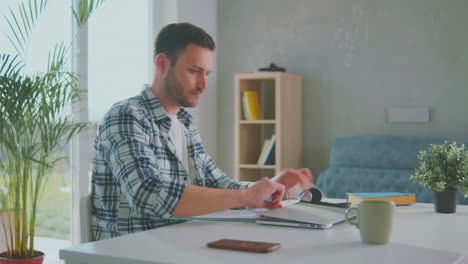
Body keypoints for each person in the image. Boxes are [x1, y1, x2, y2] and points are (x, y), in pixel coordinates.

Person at [91, 22, 313, 240]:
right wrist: (246, 195)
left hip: (179, 244)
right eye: (194, 71)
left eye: (207, 73)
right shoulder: (127, 115)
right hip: (131, 251)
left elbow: (216, 183)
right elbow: (148, 193)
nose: (203, 85)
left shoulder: (184, 122)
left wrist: (267, 188)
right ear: (162, 63)